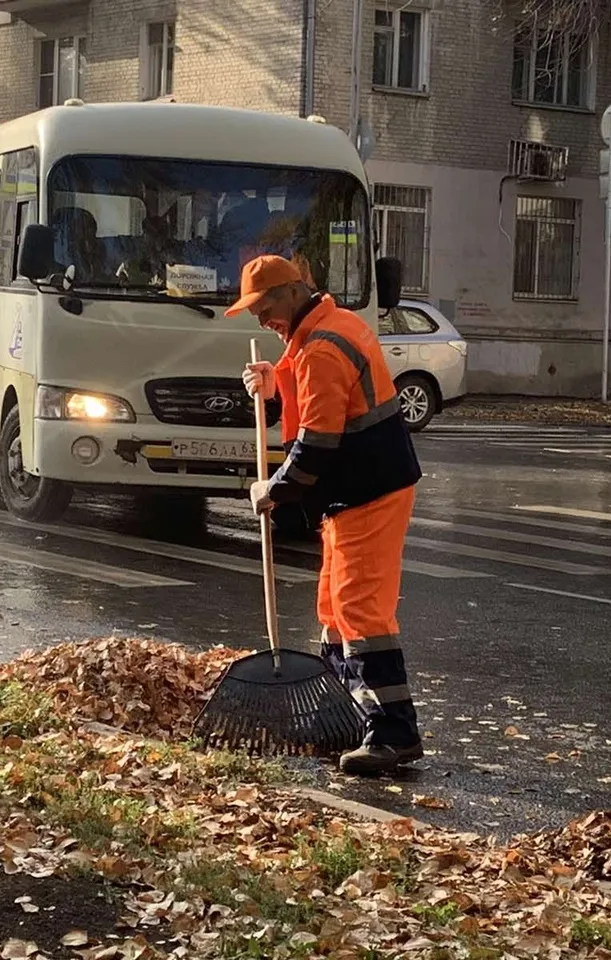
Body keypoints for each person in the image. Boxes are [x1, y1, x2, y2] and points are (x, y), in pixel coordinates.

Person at [227, 254, 424, 777]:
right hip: (355, 492)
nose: (259, 318)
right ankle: (348, 716)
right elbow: (304, 386)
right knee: (334, 608)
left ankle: (393, 734)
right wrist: (274, 384)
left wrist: (273, 490)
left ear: (292, 293)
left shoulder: (321, 348)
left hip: (369, 492)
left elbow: (316, 444)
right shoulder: (326, 329)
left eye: (264, 306)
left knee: (360, 611)